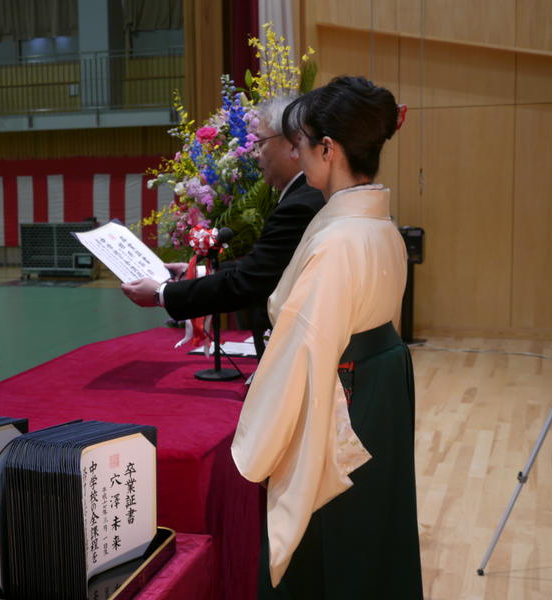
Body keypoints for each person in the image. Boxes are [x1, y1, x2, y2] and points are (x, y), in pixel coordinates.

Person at [231, 76, 422, 599]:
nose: (295, 152)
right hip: (376, 396)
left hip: (343, 406)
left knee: (327, 547)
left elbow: (304, 351)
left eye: (301, 142)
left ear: (328, 149)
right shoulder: (379, 228)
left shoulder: (338, 240)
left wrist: (261, 437)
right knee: (370, 537)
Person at [120, 95, 325, 358]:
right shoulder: (304, 195)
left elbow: (249, 282)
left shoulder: (301, 205)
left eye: (261, 143)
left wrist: (162, 294)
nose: (255, 153)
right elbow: (264, 265)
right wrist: (197, 272)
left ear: (293, 144)